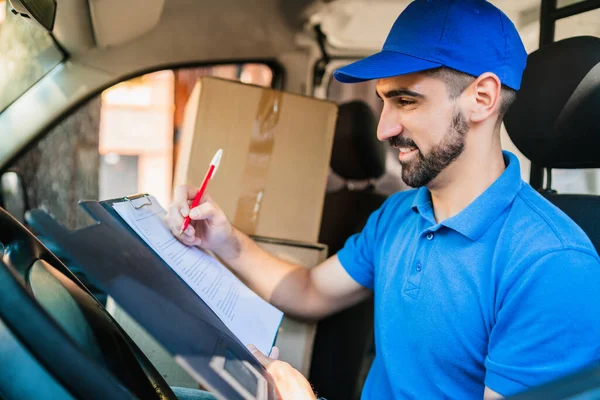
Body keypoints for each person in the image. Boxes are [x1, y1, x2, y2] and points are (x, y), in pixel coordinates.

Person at [167, 0, 600, 399]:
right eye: (383, 102)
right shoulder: (399, 213)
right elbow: (310, 290)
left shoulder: (552, 264)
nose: (383, 129)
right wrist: (222, 239)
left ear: (481, 99)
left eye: (406, 101)